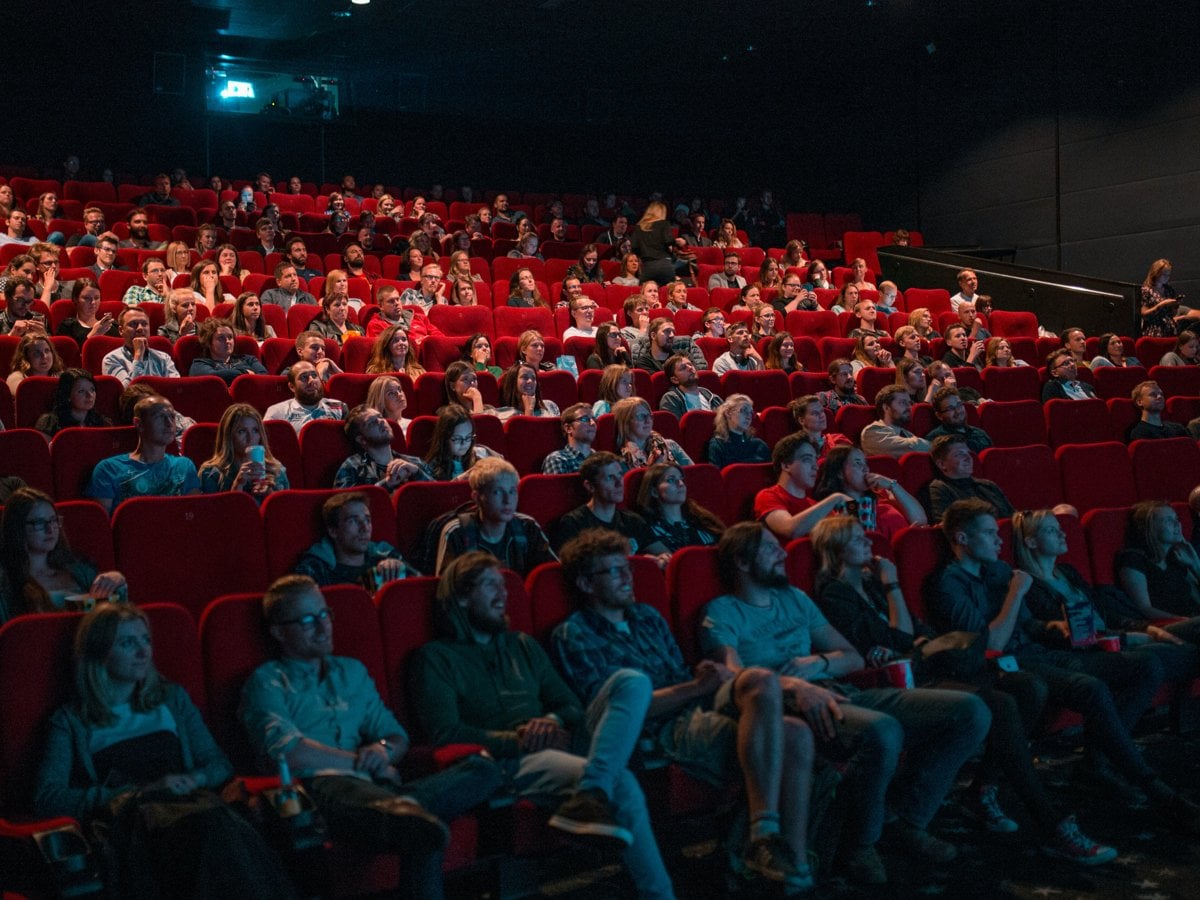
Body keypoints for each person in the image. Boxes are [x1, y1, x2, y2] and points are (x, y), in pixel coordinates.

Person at [810, 516, 1118, 865]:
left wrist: (911, 631)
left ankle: (983, 788)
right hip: (906, 680)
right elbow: (896, 638)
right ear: (836, 550)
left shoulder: (873, 583)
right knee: (999, 705)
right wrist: (895, 588)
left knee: (1028, 687)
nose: (868, 541)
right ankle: (1050, 822)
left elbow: (915, 630)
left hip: (933, 665)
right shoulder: (835, 592)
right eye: (856, 538)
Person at [701, 522, 992, 884]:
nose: (782, 554)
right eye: (770, 548)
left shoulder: (796, 598)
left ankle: (905, 818)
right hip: (789, 706)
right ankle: (861, 844)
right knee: (882, 731)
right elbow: (735, 677)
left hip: (838, 688)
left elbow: (851, 657)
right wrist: (793, 685)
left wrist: (817, 663)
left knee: (970, 711)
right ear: (742, 563)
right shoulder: (723, 611)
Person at [552, 529, 817, 892]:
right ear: (585, 583)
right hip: (661, 728)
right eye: (614, 571)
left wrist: (704, 679)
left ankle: (785, 855)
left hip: (696, 703)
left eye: (626, 567)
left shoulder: (646, 616)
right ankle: (775, 860)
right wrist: (695, 687)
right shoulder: (575, 633)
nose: (628, 577)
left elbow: (681, 676)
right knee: (793, 737)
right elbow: (620, 714)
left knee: (762, 682)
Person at [412, 552, 676, 899]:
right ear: (461, 597)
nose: (503, 594)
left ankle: (590, 792)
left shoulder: (521, 644)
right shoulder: (435, 658)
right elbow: (446, 733)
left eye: (504, 584)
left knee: (632, 681)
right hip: (512, 759)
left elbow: (570, 706)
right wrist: (519, 739)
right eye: (490, 585)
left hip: (562, 739)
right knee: (622, 781)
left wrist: (550, 721)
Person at [932, 500, 1200, 834]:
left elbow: (1028, 627)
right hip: (1005, 665)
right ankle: (1156, 789)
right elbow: (991, 645)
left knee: (1144, 665)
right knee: (1091, 687)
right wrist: (1016, 594)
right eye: (989, 534)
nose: (1000, 541)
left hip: (1040, 652)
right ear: (962, 538)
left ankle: (1097, 763)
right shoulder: (949, 584)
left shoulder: (999, 571)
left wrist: (1054, 628)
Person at [240, 575, 499, 898]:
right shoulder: (267, 682)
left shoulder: (351, 672)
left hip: (379, 787)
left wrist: (382, 751)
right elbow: (287, 752)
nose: (323, 627)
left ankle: (406, 810)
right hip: (321, 791)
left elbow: (395, 736)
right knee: (418, 828)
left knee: (483, 768)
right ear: (278, 632)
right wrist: (359, 763)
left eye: (325, 614)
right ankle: (408, 813)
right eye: (307, 620)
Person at [35, 604, 295, 898]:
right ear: (99, 653)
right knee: (213, 829)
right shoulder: (70, 720)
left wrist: (195, 778)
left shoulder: (171, 698)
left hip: (192, 805)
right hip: (135, 823)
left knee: (219, 826)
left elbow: (217, 763)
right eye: (127, 643)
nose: (143, 651)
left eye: (145, 639)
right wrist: (137, 791)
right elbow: (48, 797)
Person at [0, 487, 126, 622]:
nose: (50, 529)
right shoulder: (6, 582)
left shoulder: (80, 571)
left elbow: (114, 618)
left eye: (53, 520)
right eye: (39, 523)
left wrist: (117, 582)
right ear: (17, 528)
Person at [433, 458, 555, 576]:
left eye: (512, 491)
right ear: (477, 497)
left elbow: (550, 574)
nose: (507, 500)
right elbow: (448, 590)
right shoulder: (457, 532)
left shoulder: (527, 526)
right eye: (497, 492)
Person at [86, 394, 200, 514]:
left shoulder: (184, 466)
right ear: (139, 424)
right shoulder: (109, 469)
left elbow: (194, 517)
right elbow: (102, 524)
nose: (169, 423)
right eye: (160, 417)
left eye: (172, 417)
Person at [549, 452, 668, 557]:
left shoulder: (633, 521)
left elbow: (665, 555)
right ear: (590, 486)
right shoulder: (574, 523)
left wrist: (660, 560)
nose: (619, 483)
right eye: (610, 478)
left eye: (620, 475)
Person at [295, 492, 416, 587]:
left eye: (367, 520)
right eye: (353, 521)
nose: (364, 528)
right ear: (333, 531)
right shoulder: (316, 570)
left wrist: (401, 569)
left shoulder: (386, 558)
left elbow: (419, 590)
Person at [812, 445, 928, 540]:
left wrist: (893, 485)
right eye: (858, 463)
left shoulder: (882, 496)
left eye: (865, 463)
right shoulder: (835, 508)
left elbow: (920, 520)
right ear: (840, 473)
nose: (865, 468)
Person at [756, 434, 854, 541]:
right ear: (786, 465)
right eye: (807, 460)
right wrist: (836, 498)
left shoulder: (814, 505)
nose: (815, 466)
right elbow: (790, 529)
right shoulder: (768, 496)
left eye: (815, 460)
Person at [1116, 501, 1200, 620]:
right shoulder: (1133, 559)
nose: (1177, 524)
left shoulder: (1177, 559)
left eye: (1177, 519)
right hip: (1169, 625)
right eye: (1168, 520)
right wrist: (1185, 621)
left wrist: (1195, 565)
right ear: (1148, 528)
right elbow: (1145, 609)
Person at [197, 402, 289, 500]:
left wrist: (270, 495)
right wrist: (238, 485)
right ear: (229, 437)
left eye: (255, 431)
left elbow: (285, 511)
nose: (250, 438)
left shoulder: (275, 470)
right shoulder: (211, 474)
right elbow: (215, 514)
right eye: (242, 431)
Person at [919, 434, 1015, 522]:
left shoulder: (988, 485)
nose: (968, 458)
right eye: (960, 454)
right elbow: (946, 526)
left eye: (968, 453)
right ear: (942, 464)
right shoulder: (940, 488)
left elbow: (1014, 518)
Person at [334, 405, 430, 491]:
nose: (381, 421)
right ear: (361, 439)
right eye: (371, 423)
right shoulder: (352, 467)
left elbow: (441, 495)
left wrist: (417, 472)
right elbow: (345, 505)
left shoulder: (414, 463)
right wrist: (387, 484)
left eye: (380, 417)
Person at [634, 463, 725, 552]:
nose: (680, 483)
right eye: (671, 480)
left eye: (681, 479)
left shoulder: (702, 519)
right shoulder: (648, 529)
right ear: (654, 491)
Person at [102, 307, 180, 385]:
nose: (140, 328)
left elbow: (174, 388)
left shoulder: (163, 357)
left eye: (144, 324)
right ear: (121, 330)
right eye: (133, 324)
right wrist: (138, 355)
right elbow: (127, 392)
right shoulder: (111, 359)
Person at [264, 361, 349, 432]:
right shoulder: (277, 413)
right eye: (304, 377)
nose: (311, 380)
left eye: (314, 375)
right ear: (292, 387)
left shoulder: (339, 407)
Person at [423, 405, 500, 481]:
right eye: (457, 439)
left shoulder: (479, 455)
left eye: (468, 437)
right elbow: (436, 491)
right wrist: (458, 480)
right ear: (444, 438)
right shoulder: (434, 465)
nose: (464, 443)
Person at [613, 397, 692, 471]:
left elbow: (693, 476)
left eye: (649, 416)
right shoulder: (621, 461)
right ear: (626, 422)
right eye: (641, 416)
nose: (648, 421)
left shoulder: (671, 445)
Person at [34, 368, 110, 437]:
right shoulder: (49, 423)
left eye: (92, 390)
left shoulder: (102, 422)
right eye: (81, 391)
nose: (89, 395)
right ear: (68, 395)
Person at [188, 317, 267, 383]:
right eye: (221, 338)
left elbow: (264, 376)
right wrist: (245, 373)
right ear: (209, 342)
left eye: (230, 337)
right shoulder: (199, 364)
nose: (227, 341)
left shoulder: (249, 359)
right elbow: (214, 377)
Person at [860, 386, 932, 457]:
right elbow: (913, 446)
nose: (909, 407)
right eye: (902, 402)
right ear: (886, 408)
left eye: (910, 403)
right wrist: (938, 447)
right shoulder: (871, 432)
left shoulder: (906, 433)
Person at [366, 284, 442, 348]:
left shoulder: (419, 317)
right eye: (391, 301)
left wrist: (430, 340)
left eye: (397, 299)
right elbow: (382, 349)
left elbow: (439, 336)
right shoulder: (376, 325)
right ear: (381, 306)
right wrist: (416, 343)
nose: (396, 303)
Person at [1139, 258, 1200, 337]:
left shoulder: (1169, 290)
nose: (1166, 277)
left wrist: (1175, 305)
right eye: (1164, 274)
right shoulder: (1145, 290)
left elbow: (1172, 314)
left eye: (1168, 275)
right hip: (1154, 329)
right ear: (1156, 273)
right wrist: (1162, 304)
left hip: (1170, 327)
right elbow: (1144, 315)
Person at [705, 393, 769, 467]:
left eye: (751, 413)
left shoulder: (759, 445)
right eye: (744, 410)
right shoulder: (718, 445)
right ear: (728, 413)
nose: (749, 417)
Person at [925, 386, 992, 452]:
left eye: (959, 405)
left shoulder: (980, 434)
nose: (958, 411)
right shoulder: (935, 439)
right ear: (939, 415)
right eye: (950, 408)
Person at [630, 201, 680, 286]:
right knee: (669, 294)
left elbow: (634, 248)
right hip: (665, 265)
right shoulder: (663, 224)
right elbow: (668, 241)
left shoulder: (639, 227)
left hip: (648, 265)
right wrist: (677, 242)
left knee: (645, 294)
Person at [658, 353, 722, 419]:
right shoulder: (671, 399)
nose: (690, 368)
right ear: (675, 379)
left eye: (690, 364)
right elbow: (674, 427)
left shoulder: (713, 397)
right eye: (683, 368)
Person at [55, 278, 117, 346]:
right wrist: (94, 334)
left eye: (96, 298)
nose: (93, 302)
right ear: (76, 299)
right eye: (87, 298)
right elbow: (71, 355)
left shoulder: (110, 326)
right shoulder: (67, 327)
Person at [541, 403, 598, 474]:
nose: (592, 423)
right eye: (584, 419)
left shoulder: (600, 459)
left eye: (594, 419)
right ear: (568, 428)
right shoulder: (557, 460)